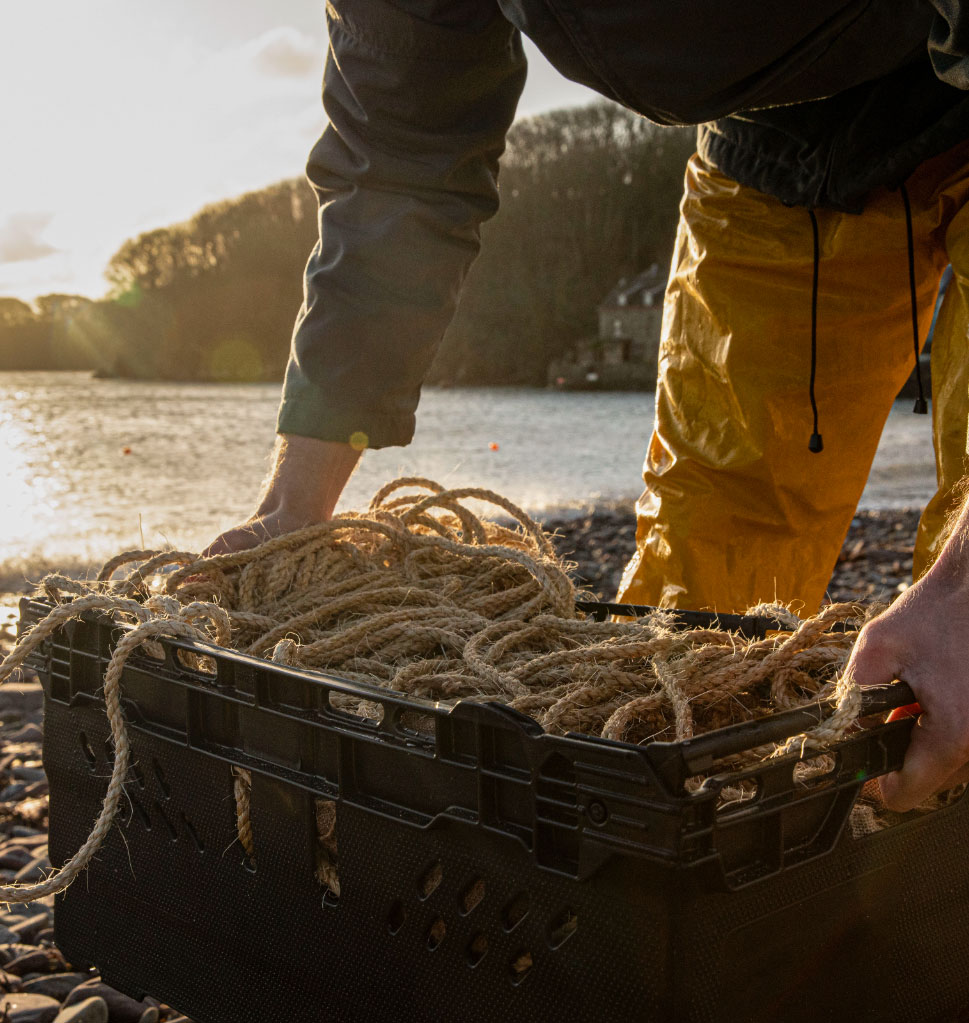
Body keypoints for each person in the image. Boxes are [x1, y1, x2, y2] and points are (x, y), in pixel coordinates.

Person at [208, 2, 969, 814]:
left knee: (950, 644)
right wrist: (296, 503)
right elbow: (393, 167)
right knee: (685, 633)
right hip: (775, 152)